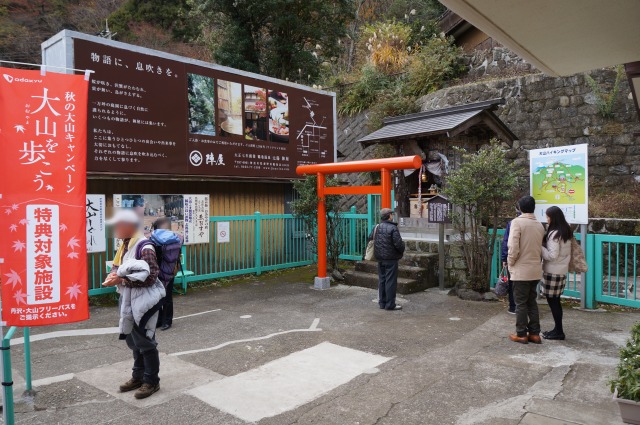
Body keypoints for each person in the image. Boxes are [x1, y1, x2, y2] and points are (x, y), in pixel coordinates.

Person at [103, 209, 165, 399]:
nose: (115, 228)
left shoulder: (145, 246)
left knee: (145, 341)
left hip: (144, 301)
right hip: (129, 298)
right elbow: (118, 266)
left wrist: (121, 280)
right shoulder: (126, 244)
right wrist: (114, 275)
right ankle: (138, 376)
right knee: (133, 340)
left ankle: (151, 381)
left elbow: (151, 276)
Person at [507, 196, 545, 344]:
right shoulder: (539, 225)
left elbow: (513, 247)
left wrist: (511, 263)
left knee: (520, 303)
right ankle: (535, 333)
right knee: (531, 302)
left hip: (520, 270)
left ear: (520, 208)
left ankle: (521, 333)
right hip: (535, 269)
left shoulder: (517, 223)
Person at [541, 206, 572, 340]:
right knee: (556, 301)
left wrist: (541, 248)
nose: (547, 219)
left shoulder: (554, 233)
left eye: (548, 217)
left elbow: (552, 255)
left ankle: (559, 331)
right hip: (561, 270)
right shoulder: (565, 230)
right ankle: (557, 329)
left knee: (553, 301)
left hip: (552, 271)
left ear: (553, 218)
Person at [151, 217, 183, 331]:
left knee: (157, 296)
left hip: (157, 270)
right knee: (168, 296)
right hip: (171, 270)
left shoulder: (154, 239)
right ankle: (167, 321)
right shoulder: (176, 238)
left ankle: (159, 321)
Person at [371, 208, 405, 311]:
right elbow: (398, 244)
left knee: (382, 280)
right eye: (391, 214)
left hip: (380, 258)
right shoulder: (393, 228)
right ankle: (390, 304)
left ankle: (382, 303)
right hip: (391, 258)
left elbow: (370, 238)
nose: (392, 215)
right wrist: (402, 247)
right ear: (389, 216)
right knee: (390, 281)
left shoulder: (377, 227)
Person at [501, 206, 521, 315]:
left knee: (512, 282)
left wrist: (504, 258)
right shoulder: (537, 224)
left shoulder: (512, 223)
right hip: (530, 261)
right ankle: (524, 307)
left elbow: (506, 242)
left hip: (513, 258)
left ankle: (513, 307)